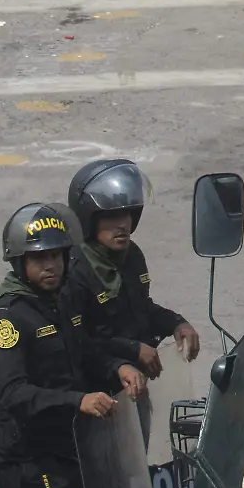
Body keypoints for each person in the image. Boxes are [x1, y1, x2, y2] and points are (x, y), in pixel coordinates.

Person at [0, 202, 145, 488]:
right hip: (28, 462)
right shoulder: (7, 320)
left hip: (71, 448)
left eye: (55, 256)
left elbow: (83, 352)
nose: (50, 266)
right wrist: (78, 401)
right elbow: (14, 392)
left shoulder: (62, 301)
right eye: (39, 258)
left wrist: (117, 368)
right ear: (19, 262)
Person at [65, 159, 201, 440]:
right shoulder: (74, 271)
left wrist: (176, 323)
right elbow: (77, 341)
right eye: (111, 217)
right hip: (96, 403)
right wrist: (130, 353)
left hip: (134, 392)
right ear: (89, 218)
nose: (122, 225)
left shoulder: (131, 257)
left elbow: (140, 309)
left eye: (128, 215)